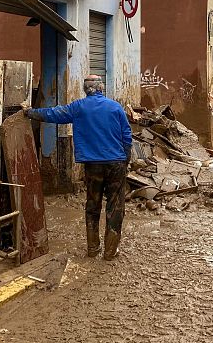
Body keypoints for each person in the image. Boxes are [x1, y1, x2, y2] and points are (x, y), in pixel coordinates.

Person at [23, 75, 132, 260]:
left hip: (92, 165)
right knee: (115, 207)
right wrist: (125, 160)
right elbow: (127, 135)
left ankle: (93, 248)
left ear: (85, 89)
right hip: (116, 164)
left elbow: (53, 114)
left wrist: (30, 112)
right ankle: (110, 251)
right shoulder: (115, 107)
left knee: (92, 204)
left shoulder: (78, 107)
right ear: (101, 88)